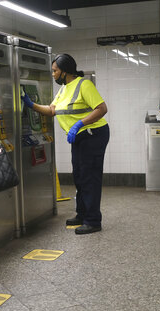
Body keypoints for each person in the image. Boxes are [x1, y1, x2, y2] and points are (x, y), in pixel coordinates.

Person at [21, 53, 110, 234]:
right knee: (78, 176)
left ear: (65, 71)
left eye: (55, 71)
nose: (53, 74)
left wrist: (79, 123)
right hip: (78, 137)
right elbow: (52, 110)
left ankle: (93, 221)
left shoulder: (84, 84)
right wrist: (31, 104)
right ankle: (82, 214)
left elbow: (102, 109)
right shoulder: (64, 88)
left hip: (93, 134)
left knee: (89, 177)